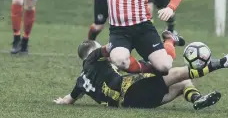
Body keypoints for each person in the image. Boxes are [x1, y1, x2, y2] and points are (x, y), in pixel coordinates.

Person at [53, 40, 223, 110]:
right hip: (132, 90)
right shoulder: (93, 57)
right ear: (91, 52)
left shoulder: (80, 82)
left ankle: (197, 99)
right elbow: (110, 47)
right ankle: (222, 63)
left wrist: (61, 101)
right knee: (179, 73)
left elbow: (69, 99)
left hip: (132, 104)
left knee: (182, 83)